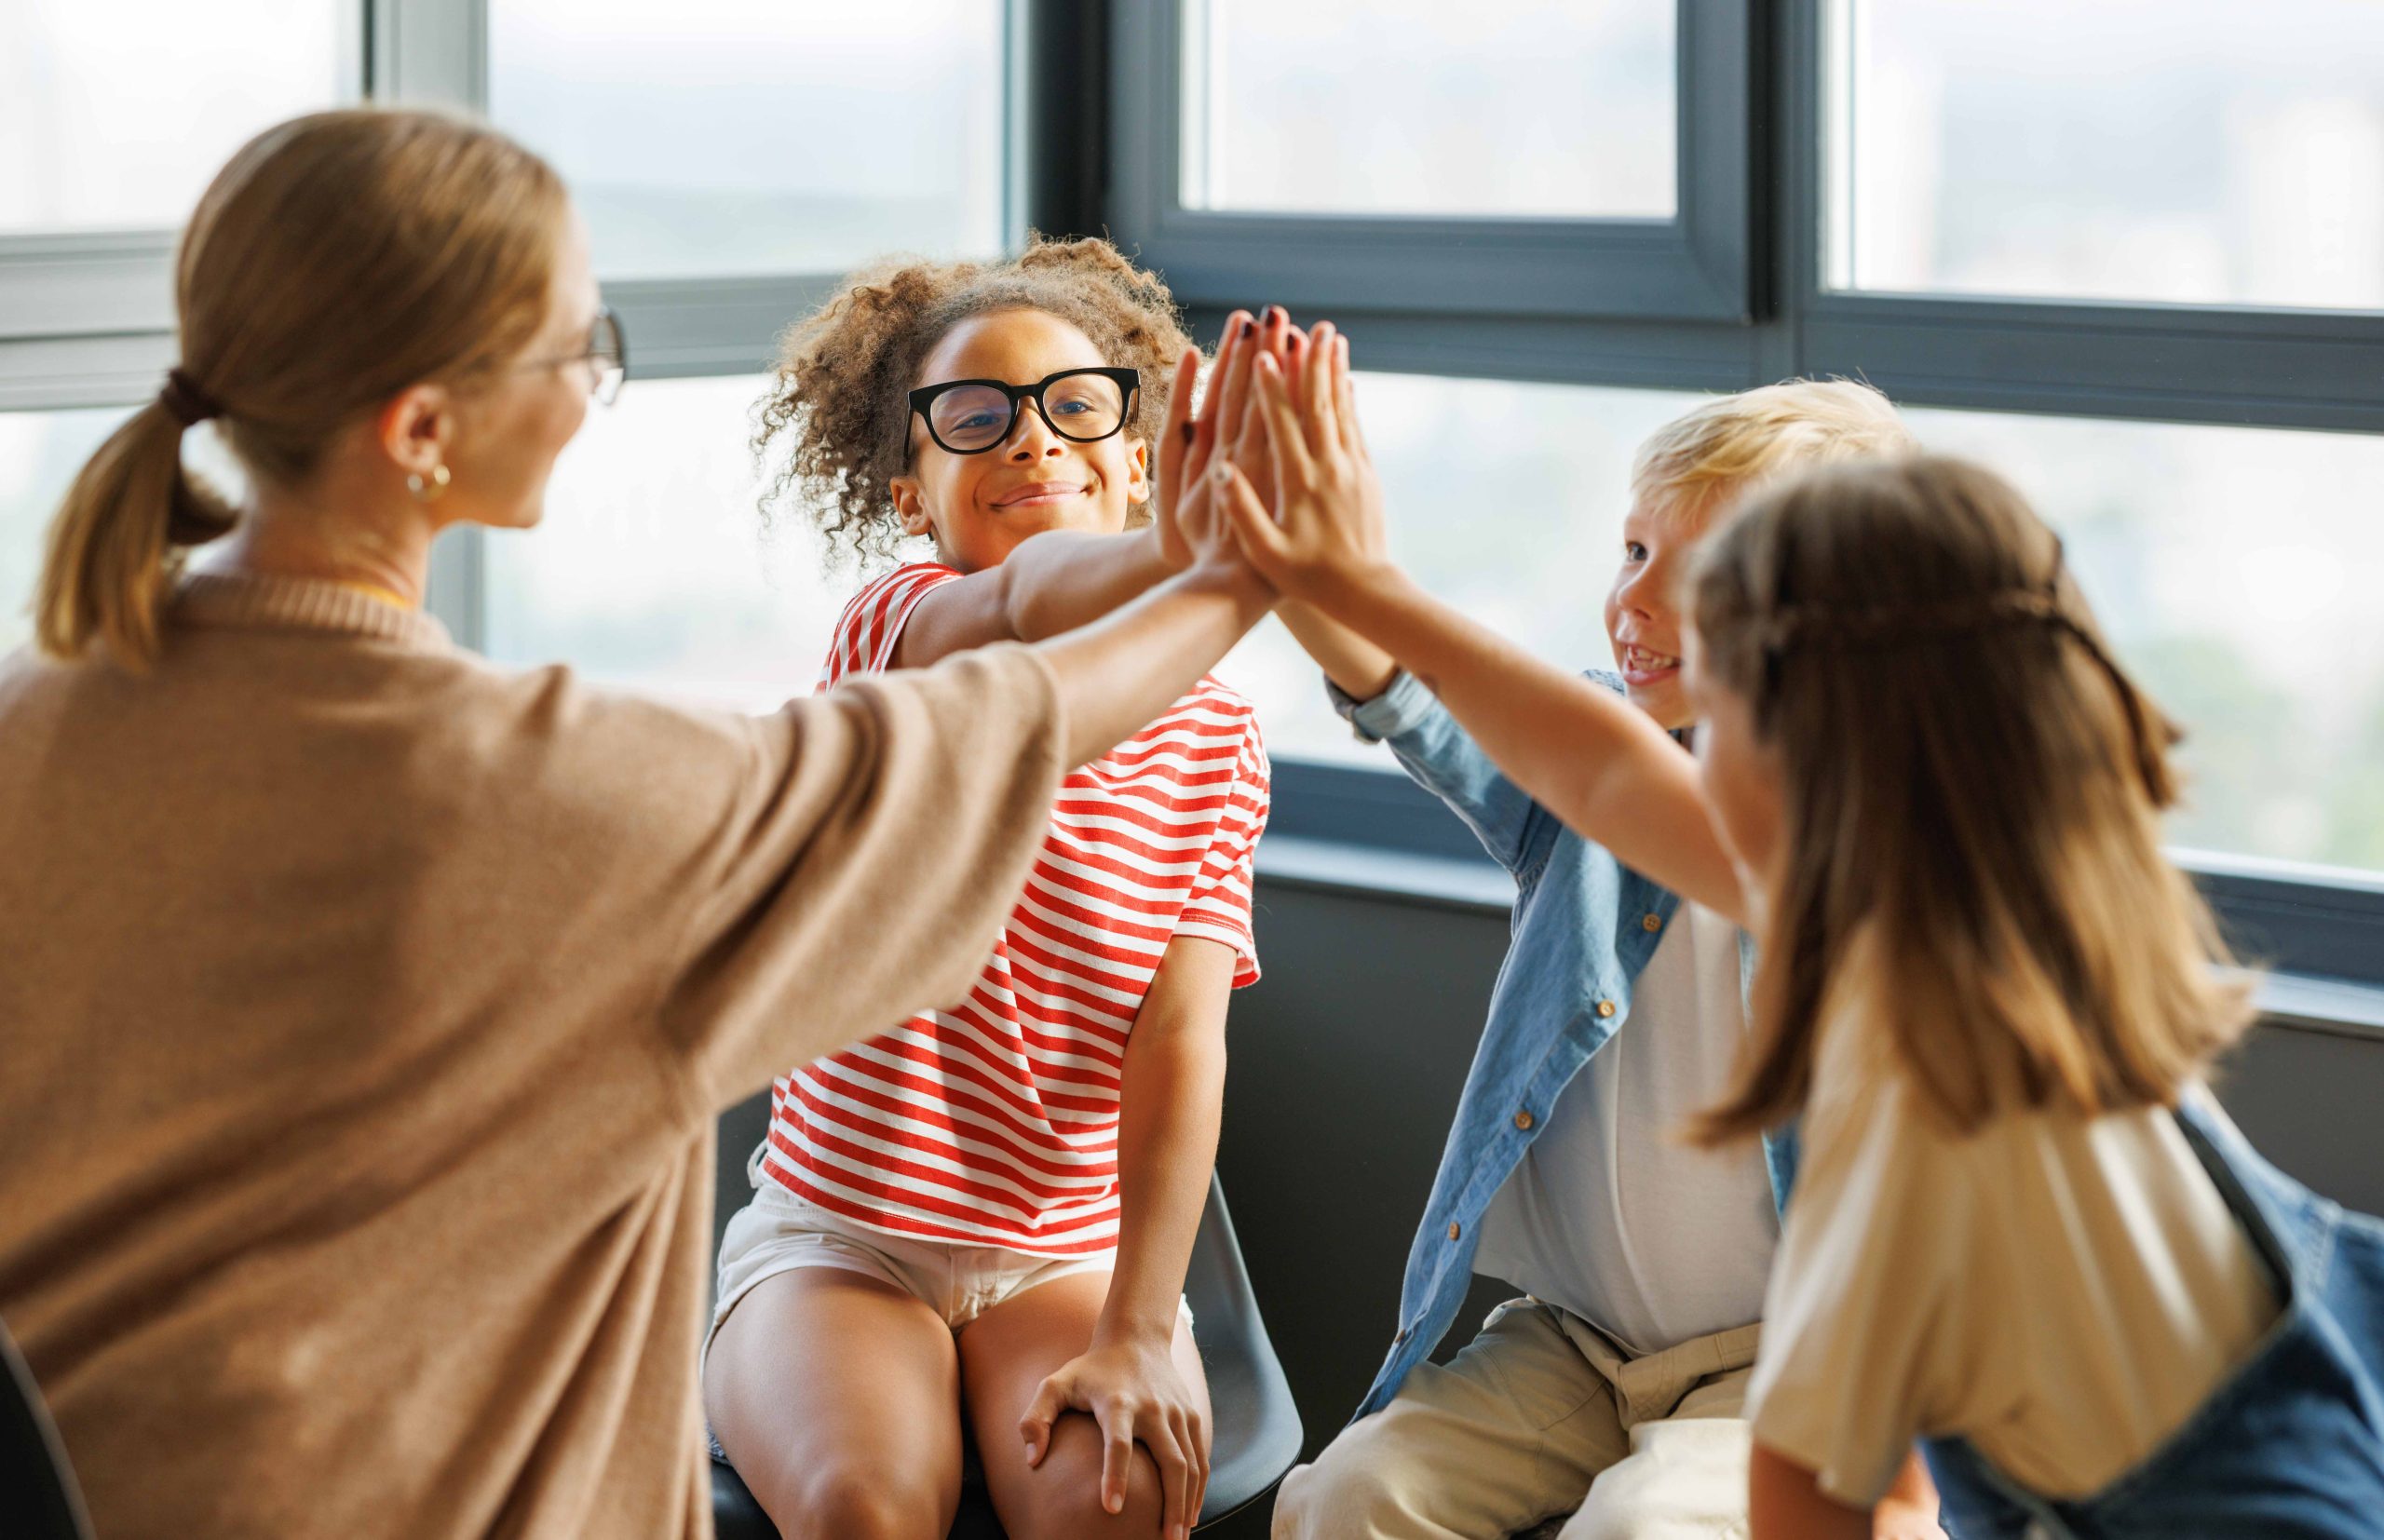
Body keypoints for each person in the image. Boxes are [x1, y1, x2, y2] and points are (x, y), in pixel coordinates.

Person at [0, 109, 1274, 1540]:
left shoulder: (28, 718)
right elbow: (996, 717)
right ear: (423, 428)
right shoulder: (573, 799)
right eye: (573, 344)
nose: (596, 378)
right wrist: (1237, 558)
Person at [1212, 361, 2384, 1537]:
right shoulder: (1941, 900)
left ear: (1815, 722)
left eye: (1731, 662)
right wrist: (1344, 581)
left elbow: (1841, 1497)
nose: (1675, 756)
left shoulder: (1921, 1046)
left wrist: (1355, 580)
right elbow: (1608, 770)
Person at [1254, 314, 1936, 1540]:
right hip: (1576, 1343)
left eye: (1701, 571)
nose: (1636, 598)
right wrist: (1289, 561)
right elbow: (1407, 693)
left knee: (1642, 1526)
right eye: (1632, 548)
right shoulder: (1580, 771)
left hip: (1782, 1371)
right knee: (1346, 1495)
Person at [705, 245, 1279, 1540]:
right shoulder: (898, 630)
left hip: (1065, 1255)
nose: (1031, 439)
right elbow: (1021, 606)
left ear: (1138, 458)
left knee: (1112, 1508)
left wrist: (1138, 1323)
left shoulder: (1219, 739)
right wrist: (1198, 558)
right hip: (843, 1238)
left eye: (1077, 405)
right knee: (867, 1510)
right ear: (912, 494)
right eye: (976, 416)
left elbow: (1181, 1038)